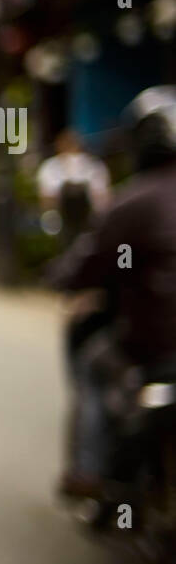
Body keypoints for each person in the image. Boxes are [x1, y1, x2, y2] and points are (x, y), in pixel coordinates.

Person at [47, 87, 176, 495]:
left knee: (92, 362)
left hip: (154, 343)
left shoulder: (131, 202)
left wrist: (61, 277)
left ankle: (88, 472)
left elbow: (82, 265)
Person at [36, 127, 110, 250]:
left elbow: (103, 196)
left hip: (90, 220)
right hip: (62, 222)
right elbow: (45, 199)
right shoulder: (49, 168)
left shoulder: (92, 165)